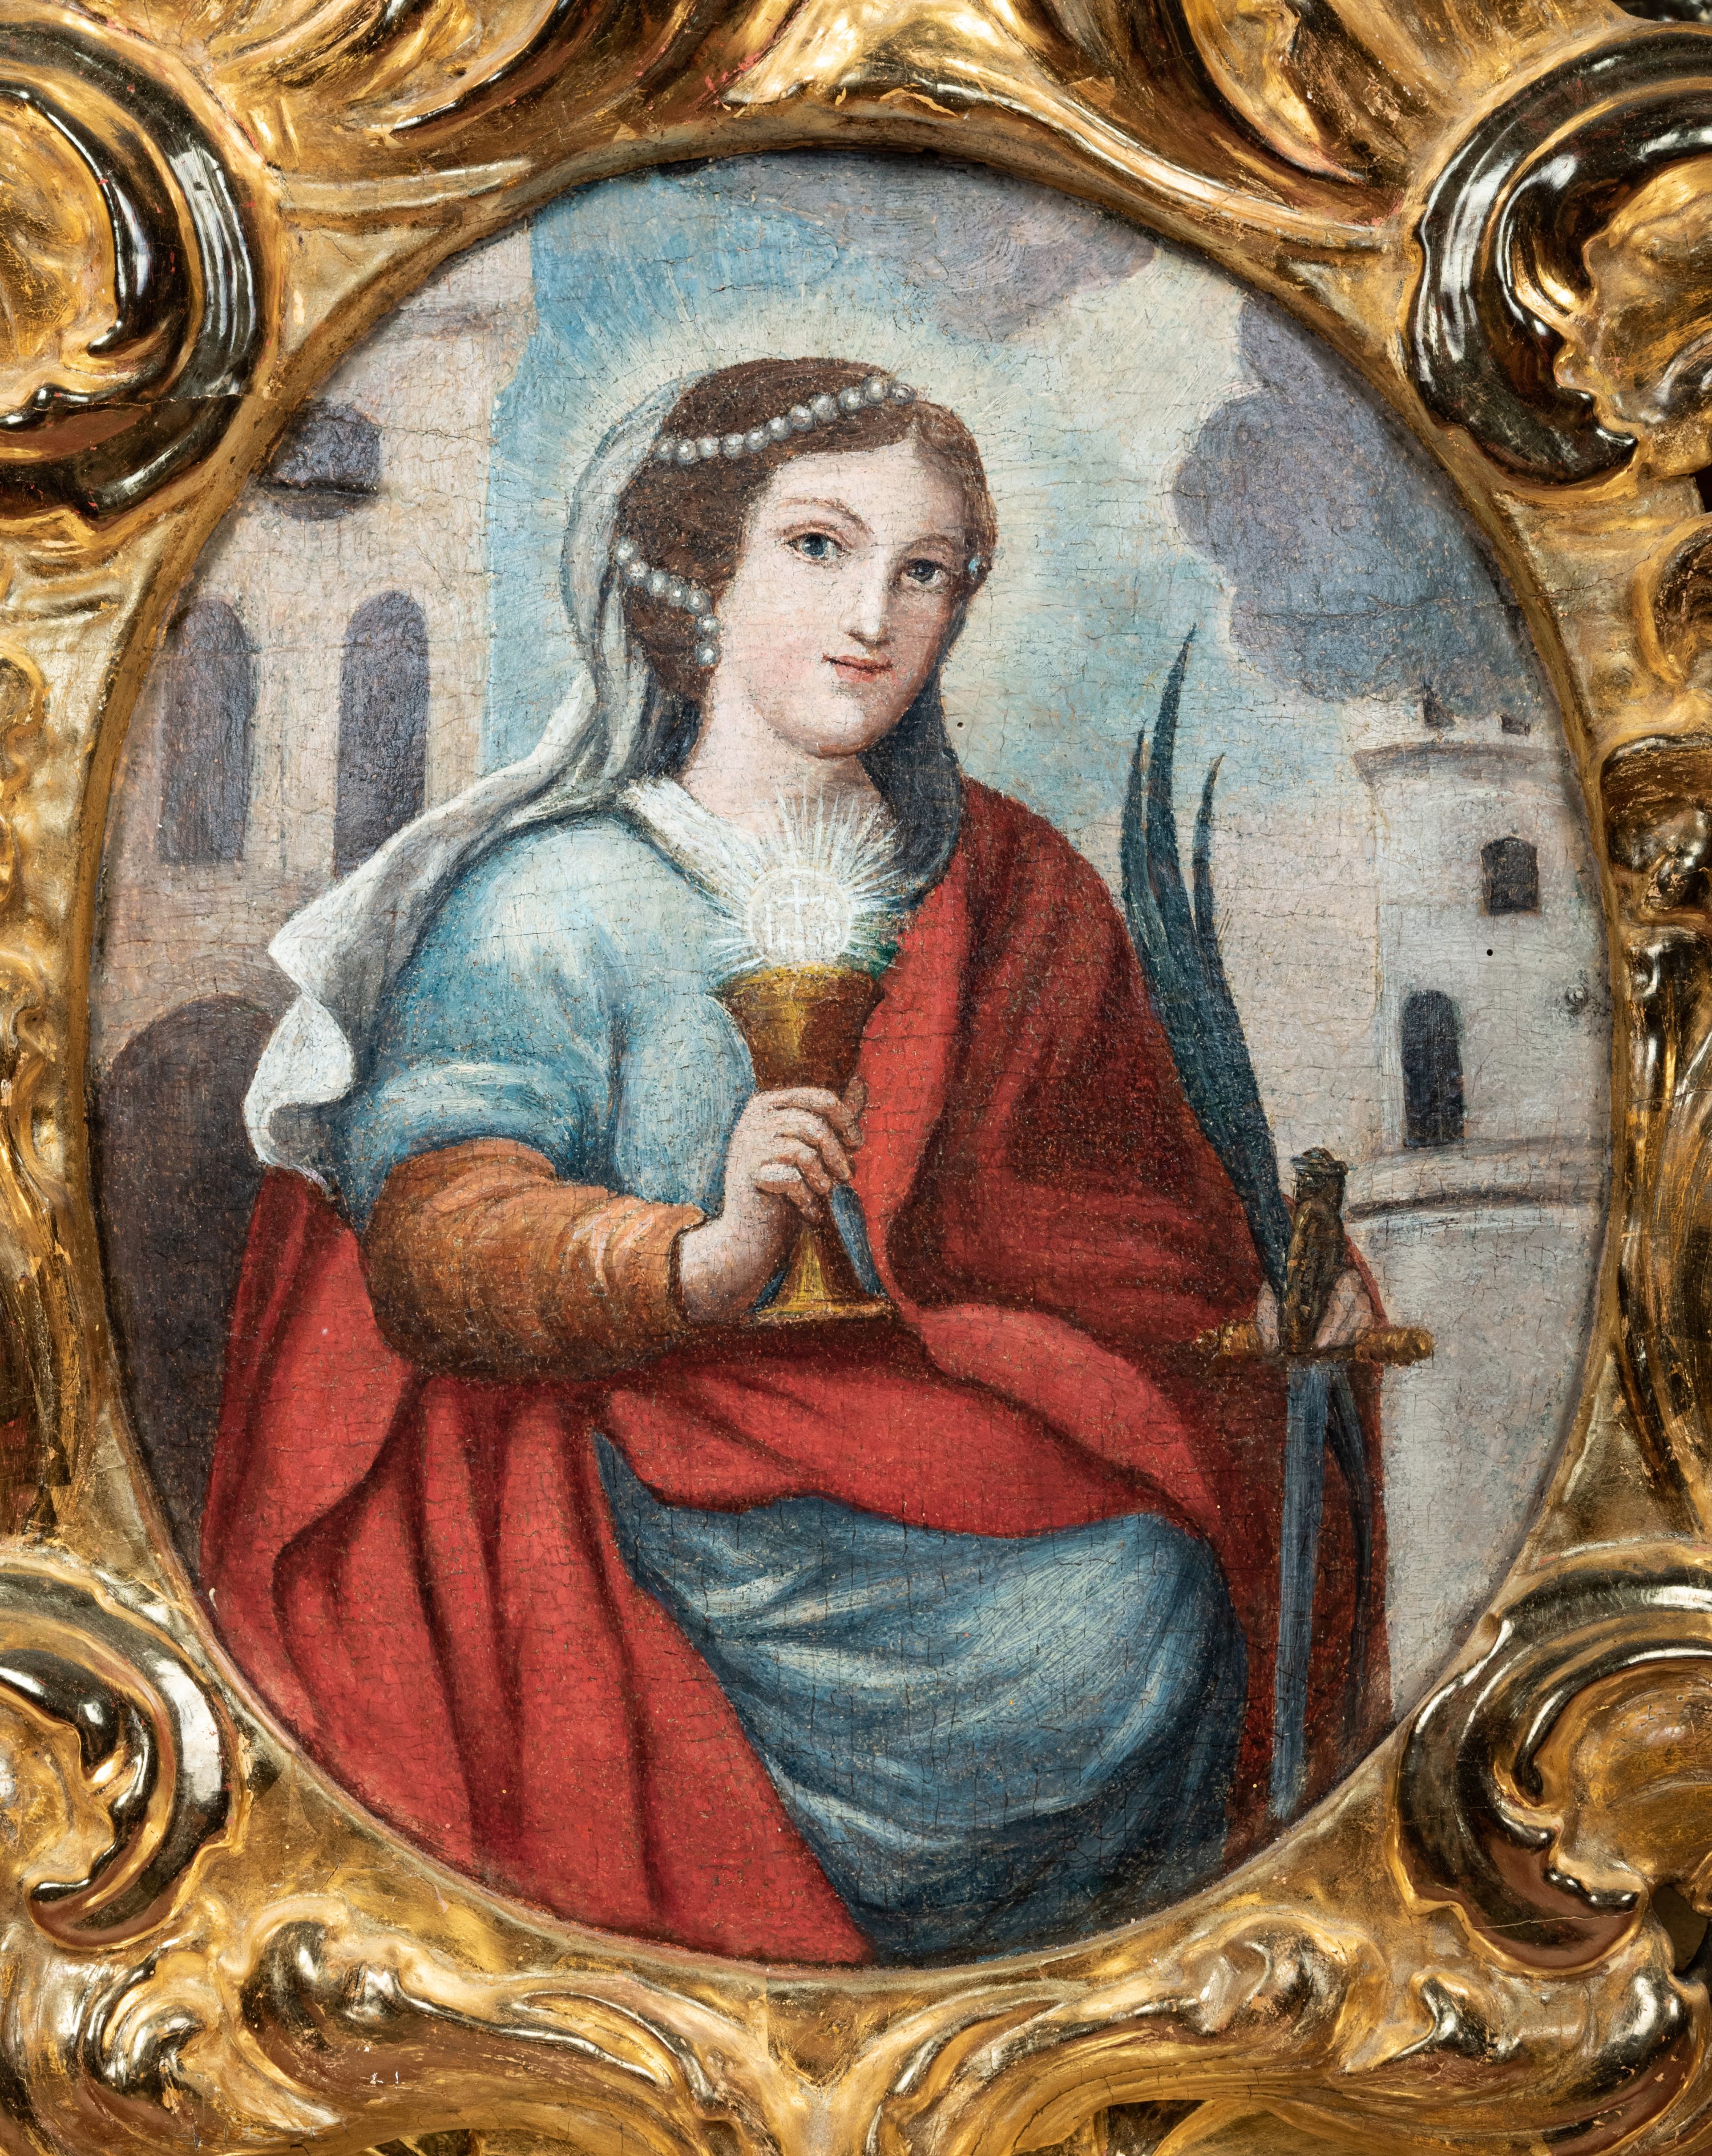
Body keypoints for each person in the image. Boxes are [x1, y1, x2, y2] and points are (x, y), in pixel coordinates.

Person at [203, 357, 1385, 1967]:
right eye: (820, 548)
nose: (874, 616)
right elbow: (438, 1227)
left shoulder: (1011, 887)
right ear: (696, 574)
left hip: (943, 1434)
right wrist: (692, 1255)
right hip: (662, 1480)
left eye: (927, 572)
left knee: (1142, 1599)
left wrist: (1275, 1291)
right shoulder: (553, 897)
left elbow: (1123, 1230)